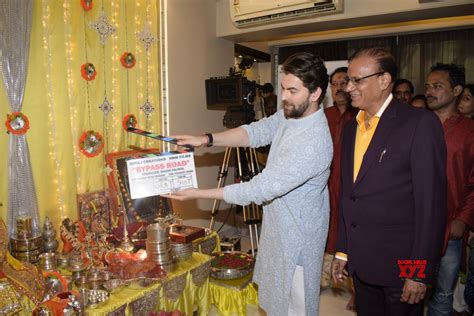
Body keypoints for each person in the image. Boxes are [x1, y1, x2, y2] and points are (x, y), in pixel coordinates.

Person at [166, 52, 333, 316]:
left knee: (294, 308)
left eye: (292, 90)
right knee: (274, 302)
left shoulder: (313, 142)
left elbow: (258, 189)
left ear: (315, 94)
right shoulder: (293, 114)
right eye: (282, 89)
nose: (284, 98)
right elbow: (257, 132)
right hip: (279, 229)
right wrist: (205, 139)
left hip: (297, 241)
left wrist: (198, 193)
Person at [331, 47, 447, 316]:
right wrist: (343, 251)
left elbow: (430, 206)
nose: (349, 87)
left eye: (357, 80)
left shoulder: (419, 123)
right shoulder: (351, 129)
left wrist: (417, 273)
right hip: (361, 264)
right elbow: (349, 195)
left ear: (384, 81)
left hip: (402, 268)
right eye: (348, 80)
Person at [425, 64, 474, 316]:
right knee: (408, 285)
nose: (430, 91)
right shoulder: (417, 125)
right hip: (414, 231)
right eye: (428, 87)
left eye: (437, 86)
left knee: (443, 294)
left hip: (450, 232)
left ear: (456, 90)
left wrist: (462, 220)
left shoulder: (470, 131)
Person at [322, 66, 358, 310]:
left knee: (353, 236)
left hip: (353, 187)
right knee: (326, 232)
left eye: (343, 81)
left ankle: (357, 290)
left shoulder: (361, 116)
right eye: (334, 83)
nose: (338, 87)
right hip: (325, 185)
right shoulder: (323, 115)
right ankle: (324, 278)